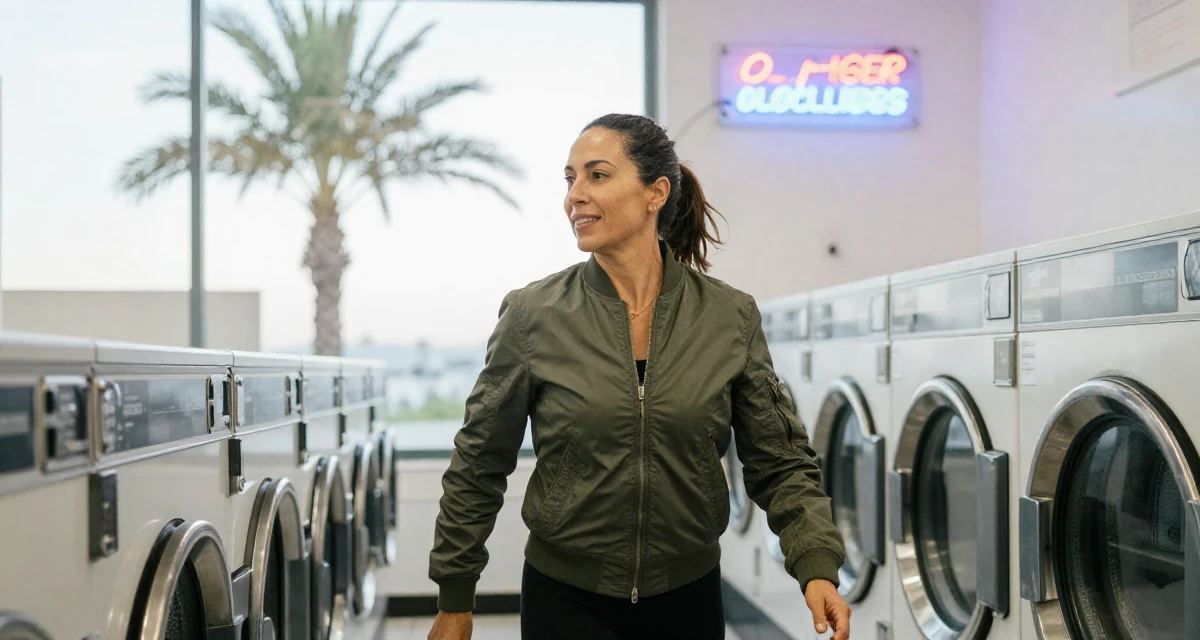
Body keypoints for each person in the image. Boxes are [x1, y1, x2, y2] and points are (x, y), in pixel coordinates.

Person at [426, 113, 850, 640]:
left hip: (687, 596)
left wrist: (815, 564)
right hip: (566, 598)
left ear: (656, 192)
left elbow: (780, 460)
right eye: (569, 179)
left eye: (597, 175)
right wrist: (454, 594)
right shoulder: (534, 315)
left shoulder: (729, 317)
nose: (574, 196)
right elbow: (479, 460)